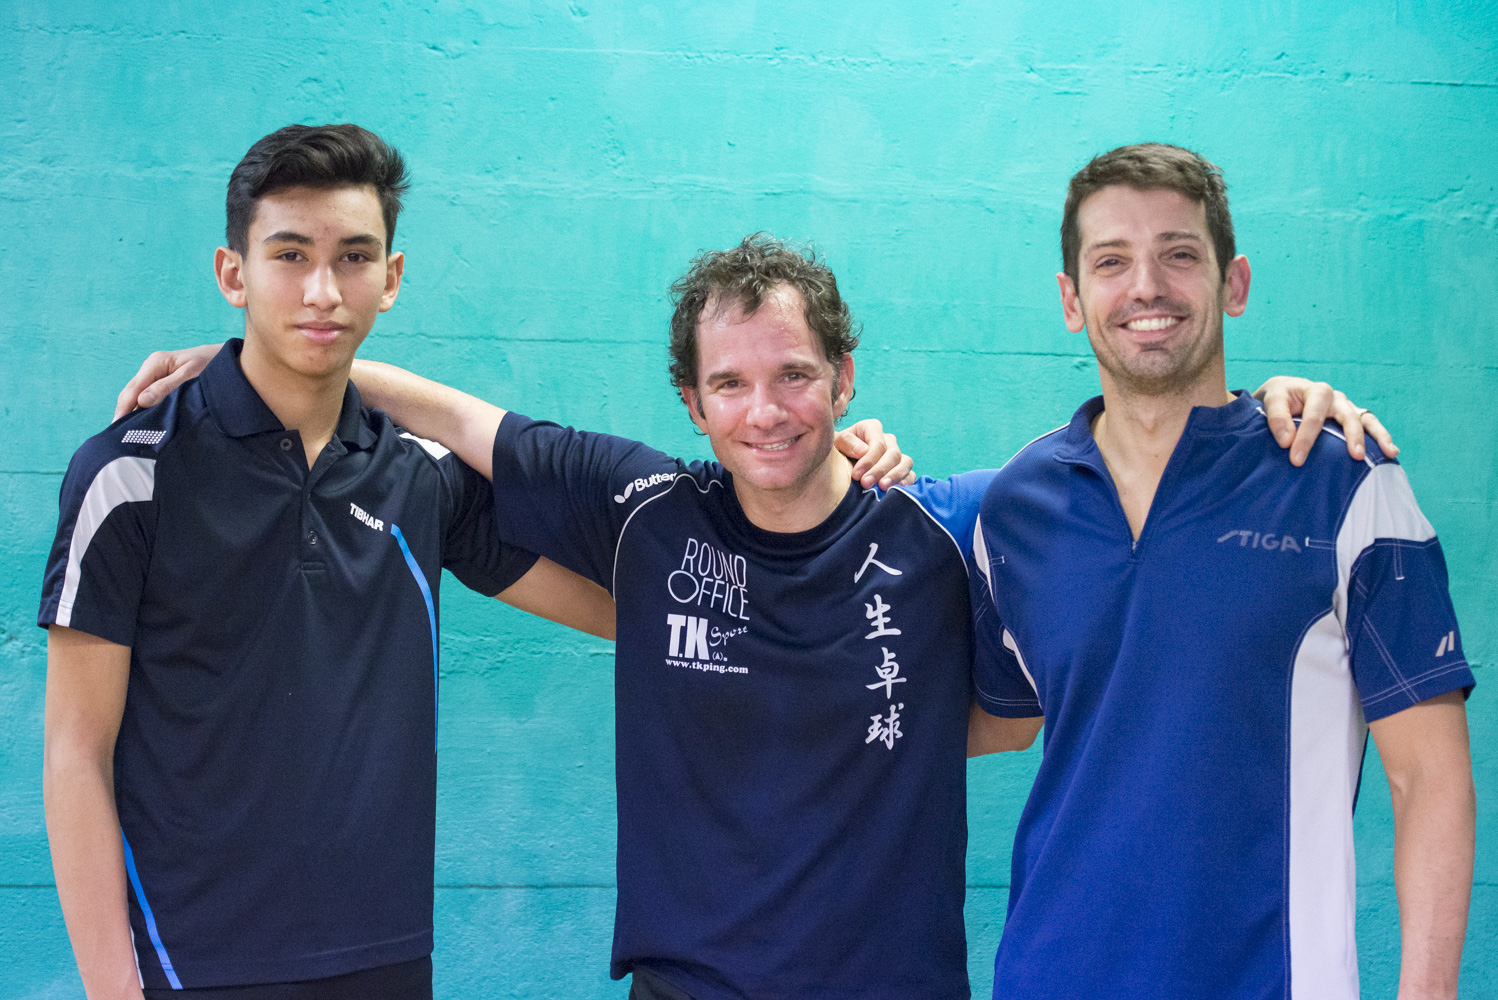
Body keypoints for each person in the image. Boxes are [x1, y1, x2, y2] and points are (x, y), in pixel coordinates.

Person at [120, 235, 1383, 998]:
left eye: (794, 376)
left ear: (844, 376)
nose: (765, 409)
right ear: (691, 400)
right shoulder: (644, 511)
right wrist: (261, 363)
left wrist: (1272, 404)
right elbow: (458, 419)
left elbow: (1121, 482)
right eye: (729, 383)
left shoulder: (944, 526)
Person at [39, 123, 622, 1000]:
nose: (322, 291)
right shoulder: (129, 474)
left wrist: (807, 503)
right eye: (290, 255)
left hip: (384, 958)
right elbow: (75, 752)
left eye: (354, 257)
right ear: (233, 273)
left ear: (391, 278)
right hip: (189, 964)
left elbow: (628, 608)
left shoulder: (422, 477)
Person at [966, 143, 1475, 999]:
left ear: (1233, 283)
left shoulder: (1344, 483)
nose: (1146, 287)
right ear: (1071, 300)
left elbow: (1428, 778)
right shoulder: (1017, 506)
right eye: (1111, 261)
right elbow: (997, 720)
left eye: (1178, 254)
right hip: (1047, 976)